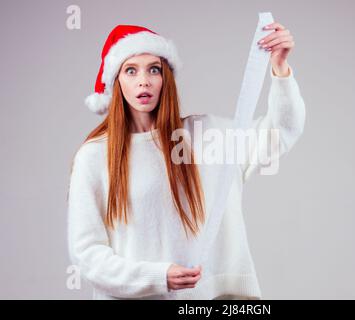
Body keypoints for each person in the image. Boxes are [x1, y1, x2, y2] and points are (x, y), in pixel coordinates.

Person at [67, 22, 305, 300]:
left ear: (165, 78)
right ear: (116, 81)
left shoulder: (207, 137)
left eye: (153, 69)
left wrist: (280, 69)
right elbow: (87, 253)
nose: (143, 80)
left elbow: (280, 133)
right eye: (131, 70)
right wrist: (157, 277)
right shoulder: (95, 156)